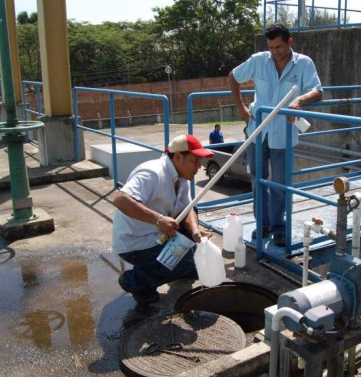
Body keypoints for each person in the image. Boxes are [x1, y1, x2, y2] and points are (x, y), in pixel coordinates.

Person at [228, 23, 323, 247]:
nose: (275, 52)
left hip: (284, 134)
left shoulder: (304, 63)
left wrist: (300, 100)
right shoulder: (259, 60)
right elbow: (233, 77)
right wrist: (240, 106)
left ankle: (279, 227)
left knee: (280, 183)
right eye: (271, 47)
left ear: (289, 43)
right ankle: (262, 225)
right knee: (257, 180)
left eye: (279, 47)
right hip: (257, 131)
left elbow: (317, 90)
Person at [112, 134, 214, 306]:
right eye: (195, 160)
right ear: (178, 157)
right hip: (136, 243)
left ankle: (179, 265)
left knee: (191, 216)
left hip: (159, 234)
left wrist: (195, 231)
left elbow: (187, 209)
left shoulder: (181, 178)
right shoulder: (153, 172)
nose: (199, 166)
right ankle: (135, 280)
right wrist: (159, 220)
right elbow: (120, 199)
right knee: (180, 263)